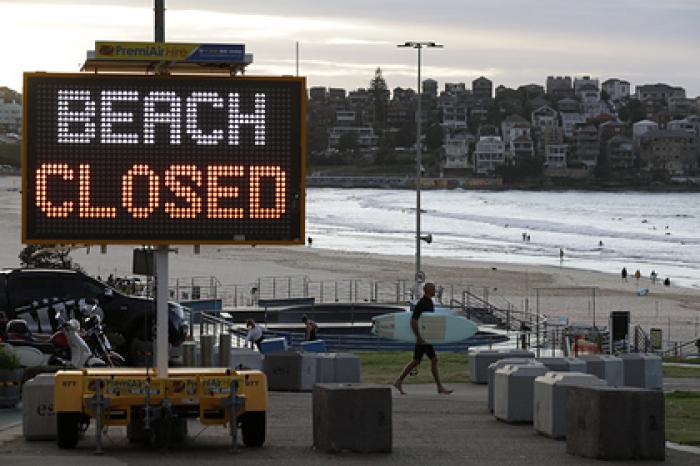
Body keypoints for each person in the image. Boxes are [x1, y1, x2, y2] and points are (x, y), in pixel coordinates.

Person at [393, 282, 453, 395]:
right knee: (432, 360)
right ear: (427, 290)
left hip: (425, 337)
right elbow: (413, 320)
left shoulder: (429, 302)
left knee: (417, 361)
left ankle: (399, 381)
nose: (435, 291)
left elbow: (427, 321)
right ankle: (439, 387)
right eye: (433, 289)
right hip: (422, 338)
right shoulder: (422, 303)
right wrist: (419, 337)